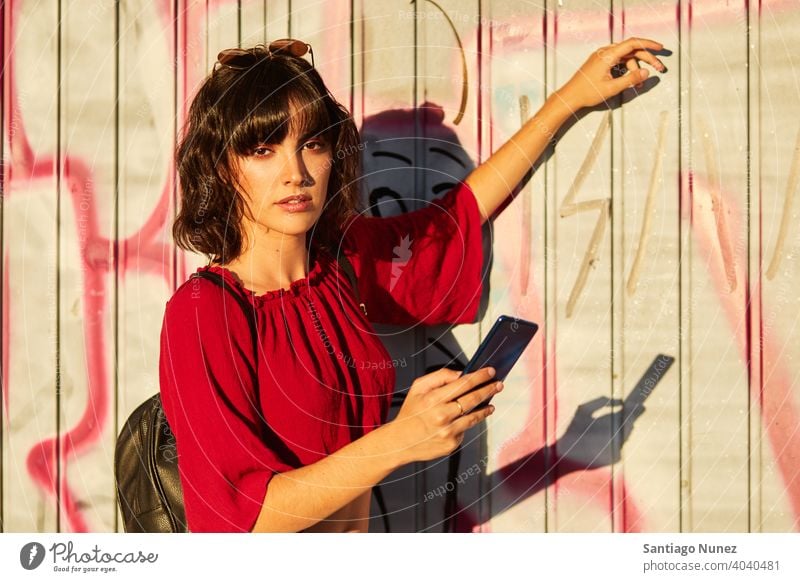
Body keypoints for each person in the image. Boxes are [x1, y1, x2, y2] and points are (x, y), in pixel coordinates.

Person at [159, 37, 666, 533]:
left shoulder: (342, 266)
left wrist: (570, 98)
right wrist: (405, 438)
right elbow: (240, 522)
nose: (296, 173)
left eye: (311, 144)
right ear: (223, 168)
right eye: (263, 150)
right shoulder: (205, 312)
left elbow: (455, 220)